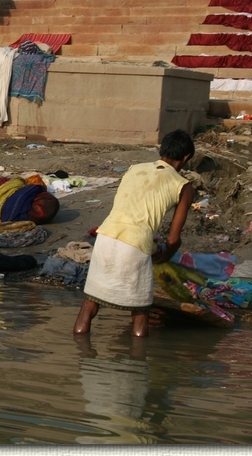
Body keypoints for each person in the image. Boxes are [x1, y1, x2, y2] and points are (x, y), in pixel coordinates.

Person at [73, 129, 195, 337]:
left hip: (105, 236)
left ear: (160, 150)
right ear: (186, 158)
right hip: (135, 245)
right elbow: (173, 239)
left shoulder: (134, 168)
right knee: (140, 312)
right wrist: (165, 256)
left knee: (89, 307)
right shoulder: (184, 186)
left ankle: (83, 361)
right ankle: (137, 363)